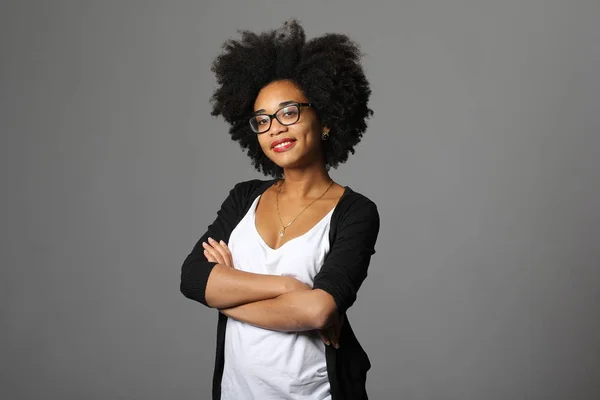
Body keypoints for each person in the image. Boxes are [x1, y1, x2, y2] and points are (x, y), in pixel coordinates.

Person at [180, 19, 380, 400]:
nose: (275, 129)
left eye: (289, 112)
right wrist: (288, 288)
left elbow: (318, 312)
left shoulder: (355, 212)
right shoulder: (244, 198)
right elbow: (193, 278)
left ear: (323, 118)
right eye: (262, 120)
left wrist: (227, 295)